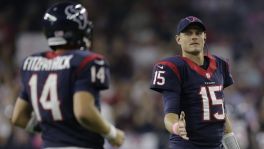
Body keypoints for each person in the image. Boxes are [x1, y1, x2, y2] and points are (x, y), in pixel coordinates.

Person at [11, 2, 125, 149]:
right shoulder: (87, 61)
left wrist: (52, 130)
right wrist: (112, 133)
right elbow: (83, 112)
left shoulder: (32, 63)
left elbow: (18, 117)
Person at [150, 16, 240, 149]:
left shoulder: (220, 64)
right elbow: (169, 115)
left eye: (198, 33)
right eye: (188, 33)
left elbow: (221, 113)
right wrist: (176, 127)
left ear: (204, 37)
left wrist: (233, 146)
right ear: (178, 39)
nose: (194, 37)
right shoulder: (173, 67)